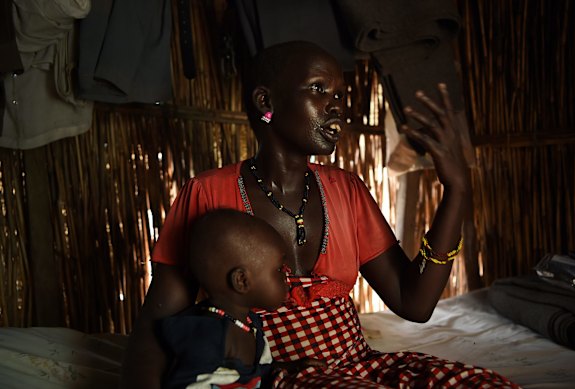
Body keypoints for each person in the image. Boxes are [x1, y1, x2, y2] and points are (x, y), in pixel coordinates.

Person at [122, 41, 519, 388]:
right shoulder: (209, 193)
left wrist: (457, 191)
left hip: (359, 367)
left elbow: (414, 304)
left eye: (341, 95)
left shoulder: (346, 190)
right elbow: (155, 330)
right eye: (319, 89)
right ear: (266, 102)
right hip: (277, 377)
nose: (337, 105)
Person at [157, 209, 287, 389]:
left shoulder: (251, 324)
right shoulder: (209, 336)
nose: (287, 276)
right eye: (279, 269)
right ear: (241, 281)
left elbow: (260, 373)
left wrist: (287, 368)